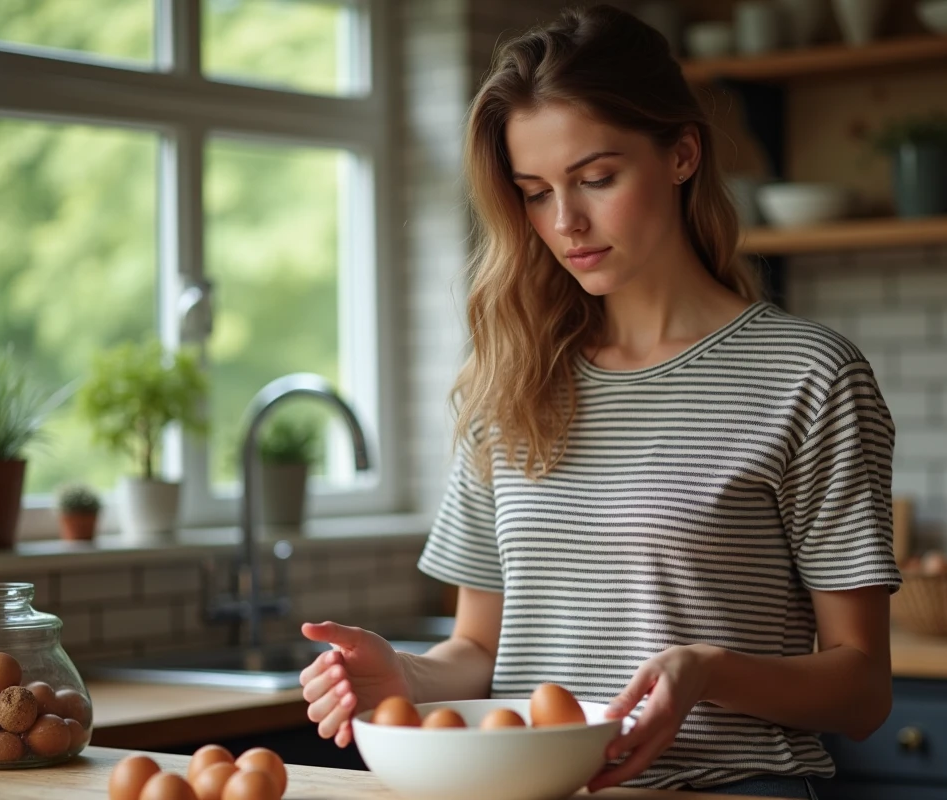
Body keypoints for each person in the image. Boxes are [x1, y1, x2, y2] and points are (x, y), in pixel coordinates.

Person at [299, 5, 901, 797]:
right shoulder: (511, 377)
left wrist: (706, 671)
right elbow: (479, 651)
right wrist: (401, 673)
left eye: (596, 178)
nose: (566, 222)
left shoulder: (809, 375)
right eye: (535, 192)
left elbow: (862, 691)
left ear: (682, 154)